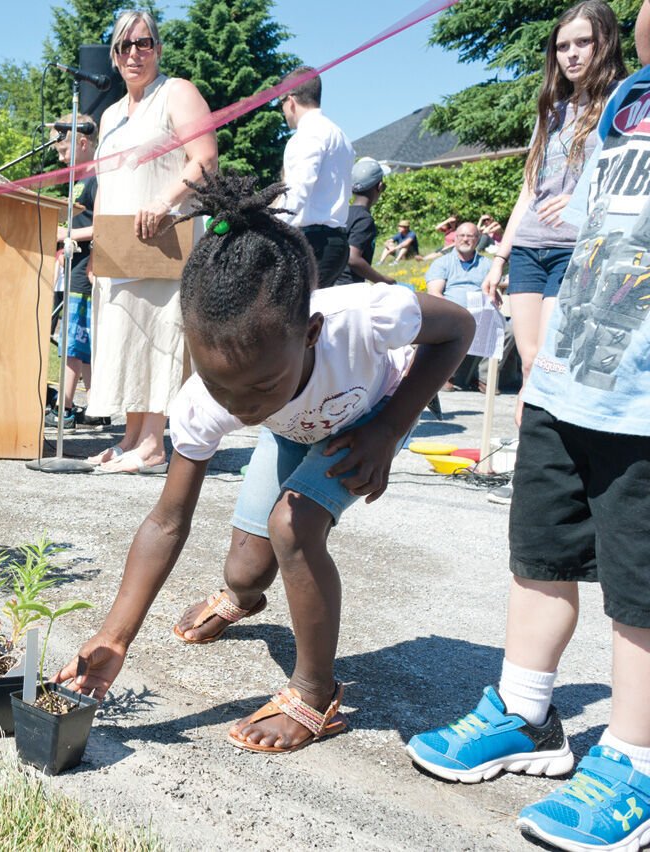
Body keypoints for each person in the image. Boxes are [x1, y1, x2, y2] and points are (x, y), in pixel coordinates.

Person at [54, 172, 474, 754]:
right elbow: (167, 521)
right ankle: (242, 598)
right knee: (247, 571)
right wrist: (114, 636)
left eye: (259, 387)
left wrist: (391, 426)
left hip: (371, 420)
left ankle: (314, 693)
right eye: (221, 387)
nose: (240, 408)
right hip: (294, 429)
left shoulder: (362, 316)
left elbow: (458, 329)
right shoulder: (211, 399)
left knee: (292, 526)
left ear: (310, 334)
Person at [407, 5, 650, 849]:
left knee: (641, 588)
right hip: (571, 376)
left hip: (644, 400)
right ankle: (527, 712)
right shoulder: (624, 108)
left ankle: (636, 757)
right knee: (539, 551)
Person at [480, 0, 626, 505]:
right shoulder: (553, 109)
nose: (571, 54)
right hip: (529, 251)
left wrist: (587, 196)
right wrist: (500, 255)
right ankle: (532, 470)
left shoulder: (622, 103)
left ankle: (545, 477)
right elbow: (530, 187)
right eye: (562, 46)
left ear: (604, 41)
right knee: (531, 360)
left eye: (582, 42)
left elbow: (630, 177)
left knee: (552, 367)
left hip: (576, 251)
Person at [86, 9, 218, 473]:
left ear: (158, 48)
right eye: (124, 46)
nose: (134, 54)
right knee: (125, 337)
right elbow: (104, 186)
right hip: (120, 245)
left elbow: (204, 159)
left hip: (164, 238)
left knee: (160, 336)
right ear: (115, 57)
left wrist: (165, 201)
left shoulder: (177, 93)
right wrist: (99, 244)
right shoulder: (111, 117)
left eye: (143, 43)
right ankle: (130, 438)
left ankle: (154, 445)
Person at [277, 67, 355, 287]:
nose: (282, 110)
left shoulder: (307, 135)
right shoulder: (339, 135)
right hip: (336, 241)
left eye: (281, 103)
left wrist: (269, 226)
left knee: (297, 316)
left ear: (290, 100)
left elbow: (297, 191)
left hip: (313, 243)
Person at [49, 114, 99, 430]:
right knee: (82, 340)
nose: (61, 158)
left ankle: (64, 407)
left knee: (73, 338)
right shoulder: (79, 182)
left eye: (64, 151)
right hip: (72, 265)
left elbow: (104, 226)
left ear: (82, 142)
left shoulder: (98, 179)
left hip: (87, 267)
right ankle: (97, 406)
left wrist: (65, 235)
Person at [334, 158, 396, 286]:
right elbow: (353, 258)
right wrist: (384, 280)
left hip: (333, 282)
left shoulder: (343, 213)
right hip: (349, 287)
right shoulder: (364, 219)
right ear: (379, 187)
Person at [425, 222, 495, 304]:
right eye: (462, 235)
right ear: (455, 238)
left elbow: (495, 290)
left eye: (470, 236)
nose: (465, 239)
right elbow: (434, 294)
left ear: (477, 239)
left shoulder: (488, 264)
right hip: (450, 313)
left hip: (482, 313)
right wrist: (455, 312)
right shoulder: (441, 263)